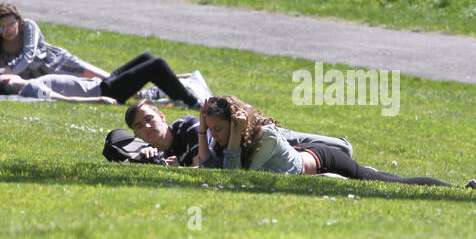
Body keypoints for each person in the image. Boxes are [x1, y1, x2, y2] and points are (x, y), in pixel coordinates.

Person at [197, 95, 476, 188]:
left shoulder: (266, 135)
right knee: (381, 177)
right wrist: (202, 130)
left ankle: (461, 190)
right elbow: (211, 170)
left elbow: (234, 178)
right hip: (311, 163)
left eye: (218, 129)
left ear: (235, 124)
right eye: (212, 130)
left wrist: (233, 137)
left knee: (391, 182)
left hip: (324, 159)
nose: (215, 136)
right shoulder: (221, 136)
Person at [109, 99, 355, 168]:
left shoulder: (186, 127)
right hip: (256, 147)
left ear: (162, 117)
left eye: (149, 119)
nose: (147, 127)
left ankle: (340, 146)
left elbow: (205, 162)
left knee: (337, 148)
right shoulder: (159, 151)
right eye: (139, 126)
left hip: (259, 135)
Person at [0, 53, 206, 107]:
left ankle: (169, 88)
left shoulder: (20, 83)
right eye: (0, 74)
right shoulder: (18, 85)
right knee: (157, 65)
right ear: (5, 81)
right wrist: (97, 101)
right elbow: (58, 97)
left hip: (101, 84)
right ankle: (187, 99)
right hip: (104, 91)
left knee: (147, 58)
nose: (3, 71)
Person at [0, 2, 108, 79]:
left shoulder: (28, 26)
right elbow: (1, 73)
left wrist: (4, 71)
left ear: (19, 22)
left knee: (106, 79)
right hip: (40, 80)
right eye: (2, 28)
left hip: (59, 64)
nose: (8, 31)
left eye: (11, 26)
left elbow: (28, 56)